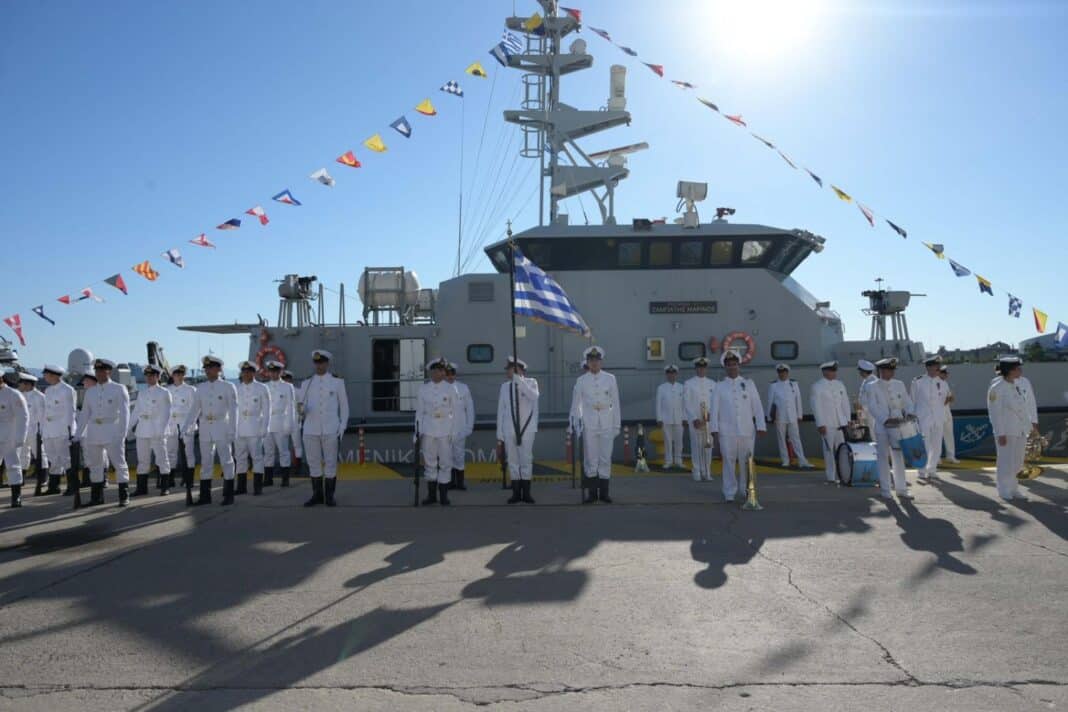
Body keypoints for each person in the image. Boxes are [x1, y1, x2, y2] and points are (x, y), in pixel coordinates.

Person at [710, 351, 766, 502]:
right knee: (728, 462)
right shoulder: (719, 386)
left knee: (746, 462)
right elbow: (714, 410)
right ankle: (729, 491)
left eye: (734, 364)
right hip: (726, 432)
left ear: (738, 365)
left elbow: (757, 406)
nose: (732, 367)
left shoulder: (748, 384)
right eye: (729, 365)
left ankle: (746, 489)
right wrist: (714, 430)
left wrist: (761, 425)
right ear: (725, 367)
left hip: (746, 430)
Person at [183, 355, 238, 506]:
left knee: (226, 461)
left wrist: (233, 430)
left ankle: (228, 494)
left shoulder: (228, 387)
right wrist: (186, 426)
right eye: (206, 368)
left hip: (222, 426)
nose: (207, 371)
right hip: (205, 427)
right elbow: (194, 410)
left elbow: (233, 411)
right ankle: (205, 496)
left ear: (218, 369)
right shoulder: (201, 388)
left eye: (211, 368)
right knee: (206, 462)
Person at [75, 359, 131, 506]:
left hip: (112, 430)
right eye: (97, 371)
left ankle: (124, 495)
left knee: (119, 464)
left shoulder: (119, 389)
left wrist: (122, 434)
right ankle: (97, 498)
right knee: (95, 465)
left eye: (102, 370)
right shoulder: (90, 392)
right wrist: (77, 435)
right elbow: (84, 414)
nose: (99, 373)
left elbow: (125, 414)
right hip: (94, 431)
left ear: (109, 371)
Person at [570, 346, 621, 504]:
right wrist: (576, 424)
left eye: (597, 360)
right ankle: (592, 494)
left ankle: (604, 493)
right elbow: (576, 405)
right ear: (587, 362)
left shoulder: (610, 379)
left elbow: (616, 403)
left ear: (601, 362)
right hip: (589, 423)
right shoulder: (581, 381)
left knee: (605, 458)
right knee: (591, 459)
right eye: (591, 360)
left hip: (607, 422)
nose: (594, 363)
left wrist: (616, 425)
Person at [299, 349, 349, 507]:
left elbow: (344, 407)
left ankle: (329, 496)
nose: (319, 365)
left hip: (331, 429)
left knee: (330, 463)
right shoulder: (307, 383)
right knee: (313, 463)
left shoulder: (337, 382)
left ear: (327, 363)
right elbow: (301, 406)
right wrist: (301, 410)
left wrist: (342, 428)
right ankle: (317, 495)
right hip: (310, 429)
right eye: (316, 362)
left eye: (322, 362)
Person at [987, 355, 1038, 502]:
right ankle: (1004, 489)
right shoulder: (997, 388)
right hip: (1006, 430)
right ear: (1010, 370)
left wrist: (1030, 428)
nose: (1020, 371)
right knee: (1005, 461)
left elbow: (1023, 408)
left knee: (1018, 461)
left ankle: (1014, 488)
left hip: (1020, 429)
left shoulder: (1017, 385)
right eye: (1017, 368)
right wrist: (1000, 433)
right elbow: (994, 412)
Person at [866, 357, 915, 500]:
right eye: (888, 370)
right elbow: (872, 406)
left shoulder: (899, 384)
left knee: (898, 457)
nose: (891, 373)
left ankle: (901, 489)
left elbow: (907, 402)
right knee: (883, 457)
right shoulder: (871, 386)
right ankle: (885, 490)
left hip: (898, 425)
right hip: (882, 426)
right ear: (881, 371)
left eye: (893, 370)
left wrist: (910, 413)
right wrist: (885, 420)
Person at [497, 356, 540, 504]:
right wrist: (500, 435)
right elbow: (501, 411)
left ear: (519, 370)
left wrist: (519, 381)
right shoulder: (504, 387)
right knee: (513, 461)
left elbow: (534, 396)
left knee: (526, 460)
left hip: (527, 429)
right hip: (509, 429)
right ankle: (516, 493)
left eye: (510, 369)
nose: (507, 372)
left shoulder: (531, 382)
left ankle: (526, 493)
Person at [128, 364, 172, 496]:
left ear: (158, 377)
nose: (149, 378)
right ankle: (142, 488)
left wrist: (162, 430)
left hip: (157, 430)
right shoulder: (142, 393)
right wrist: (128, 427)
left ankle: (165, 487)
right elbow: (136, 412)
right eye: (147, 375)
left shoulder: (164, 392)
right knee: (142, 460)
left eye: (152, 375)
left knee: (162, 459)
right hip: (142, 429)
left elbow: (166, 414)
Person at [416, 357, 454, 506]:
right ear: (432, 372)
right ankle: (432, 496)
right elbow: (419, 413)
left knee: (445, 463)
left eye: (443, 370)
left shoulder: (450, 388)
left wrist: (454, 431)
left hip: (445, 430)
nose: (442, 373)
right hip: (428, 429)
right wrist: (417, 433)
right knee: (430, 463)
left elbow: (455, 412)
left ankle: (444, 496)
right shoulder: (423, 389)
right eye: (439, 370)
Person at [810, 361, 851, 485]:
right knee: (829, 451)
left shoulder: (840, 384)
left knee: (842, 451)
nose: (834, 373)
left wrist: (847, 419)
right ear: (825, 372)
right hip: (827, 423)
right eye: (832, 371)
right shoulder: (817, 386)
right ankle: (831, 476)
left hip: (841, 423)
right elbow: (816, 406)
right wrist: (820, 424)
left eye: (835, 370)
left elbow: (845, 402)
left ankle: (843, 474)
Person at [765, 364, 812, 469]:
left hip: (792, 416)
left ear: (787, 373)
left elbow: (798, 400)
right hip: (779, 416)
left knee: (796, 438)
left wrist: (799, 414)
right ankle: (785, 460)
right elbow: (770, 401)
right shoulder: (773, 385)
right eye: (780, 372)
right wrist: (769, 417)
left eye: (784, 372)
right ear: (778, 373)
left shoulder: (794, 384)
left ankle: (802, 460)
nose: (782, 374)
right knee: (781, 439)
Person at [234, 361, 270, 496]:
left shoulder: (262, 388)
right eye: (244, 372)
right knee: (240, 457)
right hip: (239, 427)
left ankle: (257, 487)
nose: (246, 374)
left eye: (249, 371)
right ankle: (241, 487)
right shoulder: (237, 389)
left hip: (255, 427)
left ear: (254, 373)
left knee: (257, 457)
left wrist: (265, 427)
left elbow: (267, 410)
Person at [910, 355, 947, 483]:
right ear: (928, 367)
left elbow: (943, 401)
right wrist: (913, 417)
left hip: (938, 418)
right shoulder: (917, 382)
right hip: (923, 418)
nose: (938, 369)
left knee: (937, 446)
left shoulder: (942, 383)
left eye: (938, 367)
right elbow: (912, 401)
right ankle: (922, 470)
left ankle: (932, 470)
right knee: (924, 445)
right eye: (936, 367)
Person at [41, 364, 76, 496]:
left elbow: (70, 412)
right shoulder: (48, 390)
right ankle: (54, 486)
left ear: (54, 375)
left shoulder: (67, 390)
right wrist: (44, 430)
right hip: (49, 430)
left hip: (62, 429)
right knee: (53, 458)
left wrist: (69, 431)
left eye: (46, 375)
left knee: (66, 459)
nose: (44, 377)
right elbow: (46, 412)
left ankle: (72, 485)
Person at [264, 360, 298, 488]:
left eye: (276, 371)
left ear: (280, 372)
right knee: (268, 452)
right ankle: (268, 479)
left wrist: (289, 425)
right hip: (267, 423)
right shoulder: (265, 386)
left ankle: (285, 479)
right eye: (271, 371)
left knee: (283, 452)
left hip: (281, 422)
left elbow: (291, 407)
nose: (273, 374)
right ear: (269, 372)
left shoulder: (287, 387)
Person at [684, 356, 716, 482]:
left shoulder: (713, 384)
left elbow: (715, 402)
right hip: (696, 420)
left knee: (708, 446)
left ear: (706, 368)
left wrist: (712, 414)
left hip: (709, 420)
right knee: (697, 446)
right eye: (699, 367)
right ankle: (697, 470)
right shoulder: (689, 383)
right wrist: (694, 418)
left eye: (703, 367)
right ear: (696, 368)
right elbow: (687, 403)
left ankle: (707, 471)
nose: (701, 370)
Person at [0, 369, 28, 508]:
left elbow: (23, 417)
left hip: (10, 434)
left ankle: (16, 496)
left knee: (12, 465)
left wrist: (20, 437)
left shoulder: (13, 394)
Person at [165, 365, 197, 489]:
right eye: (176, 374)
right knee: (170, 452)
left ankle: (188, 479)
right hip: (171, 425)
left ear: (184, 375)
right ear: (172, 376)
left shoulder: (191, 390)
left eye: (180, 374)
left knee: (188, 453)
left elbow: (194, 410)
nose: (178, 376)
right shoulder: (167, 390)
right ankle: (170, 479)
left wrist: (191, 425)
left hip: (185, 424)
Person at [445, 362, 474, 491]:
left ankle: (460, 483)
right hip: (445, 430)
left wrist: (469, 427)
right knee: (447, 456)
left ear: (455, 375)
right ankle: (450, 482)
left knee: (459, 455)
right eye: (448, 374)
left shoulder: (463, 388)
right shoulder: (441, 389)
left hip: (460, 428)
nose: (450, 377)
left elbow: (470, 409)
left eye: (452, 374)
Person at [16, 373, 47, 491]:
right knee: (22, 454)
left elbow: (42, 417)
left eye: (21, 383)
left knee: (40, 454)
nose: (19, 385)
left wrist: (42, 432)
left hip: (35, 429)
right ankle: (21, 478)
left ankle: (43, 477)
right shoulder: (19, 395)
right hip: (22, 429)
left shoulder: (39, 397)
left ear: (27, 384)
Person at [656, 364, 686, 470]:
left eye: (673, 373)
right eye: (669, 373)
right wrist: (659, 418)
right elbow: (658, 404)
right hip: (666, 419)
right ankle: (668, 461)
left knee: (679, 442)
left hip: (679, 419)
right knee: (667, 441)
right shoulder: (661, 388)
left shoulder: (682, 387)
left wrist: (685, 418)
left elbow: (684, 404)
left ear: (676, 374)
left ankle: (678, 461)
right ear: (666, 375)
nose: (671, 375)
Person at [282, 370, 303, 471]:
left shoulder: (298, 391)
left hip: (295, 420)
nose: (286, 381)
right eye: (284, 379)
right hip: (283, 421)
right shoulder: (280, 392)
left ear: (291, 379)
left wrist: (300, 419)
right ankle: (285, 466)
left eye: (287, 379)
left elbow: (300, 406)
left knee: (297, 444)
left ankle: (297, 466)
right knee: (283, 445)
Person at [938, 365, 960, 464]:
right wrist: (947, 400)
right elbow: (937, 401)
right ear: (939, 373)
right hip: (938, 413)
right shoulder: (935, 383)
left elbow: (949, 397)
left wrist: (951, 399)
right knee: (938, 436)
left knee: (949, 435)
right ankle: (937, 457)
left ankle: (950, 456)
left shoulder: (945, 383)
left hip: (947, 412)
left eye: (946, 373)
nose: (946, 375)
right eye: (944, 373)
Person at [855, 360, 878, 437]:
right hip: (865, 412)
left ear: (864, 372)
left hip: (871, 413)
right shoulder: (866, 380)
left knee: (873, 433)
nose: (860, 373)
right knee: (869, 433)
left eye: (860, 371)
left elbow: (871, 399)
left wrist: (861, 407)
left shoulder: (873, 382)